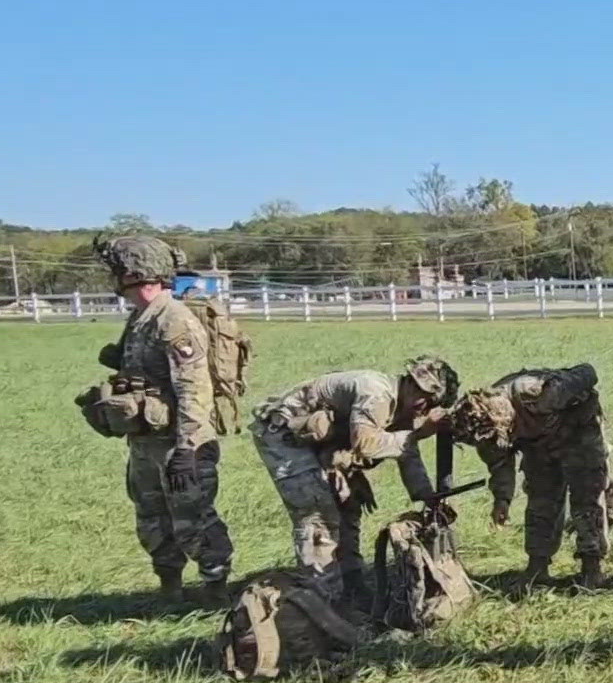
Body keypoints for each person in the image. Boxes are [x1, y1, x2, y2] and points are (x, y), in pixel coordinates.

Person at [89, 236, 234, 600]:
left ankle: (216, 591)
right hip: (145, 441)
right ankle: (170, 588)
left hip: (179, 442)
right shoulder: (140, 318)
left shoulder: (174, 320)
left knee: (193, 520)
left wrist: (187, 449)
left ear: (135, 274)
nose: (116, 283)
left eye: (119, 273)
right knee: (152, 519)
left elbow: (194, 390)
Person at [249, 356, 456, 599]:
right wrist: (420, 433)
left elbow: (407, 453)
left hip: (324, 445)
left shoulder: (405, 407)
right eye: (427, 399)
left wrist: (428, 497)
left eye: (434, 404)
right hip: (284, 437)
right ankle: (324, 599)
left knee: (349, 502)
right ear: (411, 383)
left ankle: (352, 584)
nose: (426, 408)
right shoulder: (377, 392)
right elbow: (366, 444)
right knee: (318, 515)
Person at [446, 364, 612, 591]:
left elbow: (589, 372)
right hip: (538, 445)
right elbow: (500, 463)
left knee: (586, 500)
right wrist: (502, 500)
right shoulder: (483, 428)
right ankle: (538, 567)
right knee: (540, 501)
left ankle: (592, 567)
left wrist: (561, 387)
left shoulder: (533, 392)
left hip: (578, 433)